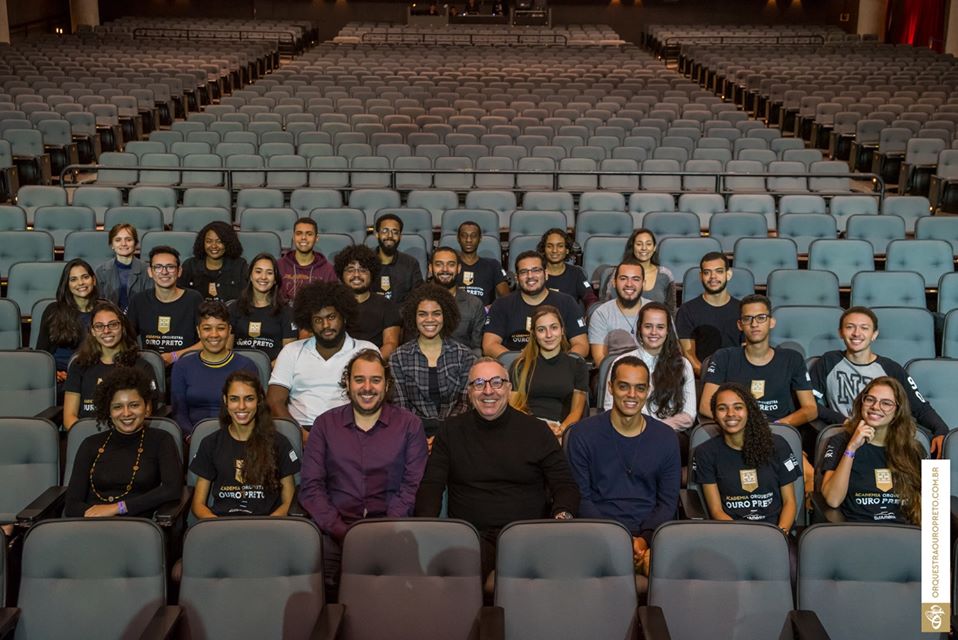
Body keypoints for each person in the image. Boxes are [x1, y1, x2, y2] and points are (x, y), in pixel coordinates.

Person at [415, 357, 580, 580]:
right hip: (471, 539)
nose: (488, 391)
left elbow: (564, 484)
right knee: (453, 577)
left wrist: (562, 516)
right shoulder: (450, 431)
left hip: (527, 536)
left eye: (496, 382)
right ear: (469, 392)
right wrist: (426, 529)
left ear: (509, 388)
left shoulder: (537, 431)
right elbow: (432, 486)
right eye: (479, 383)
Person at [300, 350, 428, 592]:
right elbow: (311, 487)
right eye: (359, 379)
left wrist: (384, 531)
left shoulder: (410, 425)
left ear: (386, 385)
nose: (367, 387)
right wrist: (342, 532)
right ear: (348, 383)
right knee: (315, 590)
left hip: (392, 530)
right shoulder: (325, 425)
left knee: (401, 594)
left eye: (375, 380)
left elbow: (412, 487)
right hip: (335, 533)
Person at [565, 356, 680, 574]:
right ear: (610, 387)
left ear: (648, 391)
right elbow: (582, 498)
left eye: (640, 388)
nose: (632, 395)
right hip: (597, 534)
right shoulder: (582, 434)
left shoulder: (666, 437)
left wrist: (643, 540)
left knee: (665, 570)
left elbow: (667, 502)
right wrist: (617, 540)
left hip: (649, 539)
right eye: (624, 386)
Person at [809, 306, 948, 443]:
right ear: (840, 332)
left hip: (884, 437)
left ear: (874, 335)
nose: (856, 333)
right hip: (845, 434)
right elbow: (808, 403)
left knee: (930, 445)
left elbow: (920, 407)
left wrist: (941, 430)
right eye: (850, 327)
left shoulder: (891, 368)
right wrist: (844, 421)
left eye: (864, 328)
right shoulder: (828, 361)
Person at [64, 366, 183, 518]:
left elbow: (171, 489)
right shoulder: (90, 444)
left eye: (134, 405)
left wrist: (119, 508)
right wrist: (95, 517)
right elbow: (72, 504)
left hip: (136, 524)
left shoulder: (161, 440)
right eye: (117, 407)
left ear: (146, 407)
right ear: (108, 410)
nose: (126, 413)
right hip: (92, 522)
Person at [268, 281, 378, 431]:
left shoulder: (365, 350)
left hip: (350, 430)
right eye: (318, 320)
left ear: (344, 316)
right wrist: (299, 435)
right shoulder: (291, 351)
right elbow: (274, 401)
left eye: (331, 317)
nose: (325, 325)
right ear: (309, 323)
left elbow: (376, 399)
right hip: (301, 430)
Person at [190, 370, 299, 519]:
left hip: (267, 524)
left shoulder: (279, 443)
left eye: (249, 399)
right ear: (225, 400)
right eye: (234, 399)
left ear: (259, 400)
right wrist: (218, 526)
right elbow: (198, 505)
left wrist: (267, 525)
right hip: (222, 524)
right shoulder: (210, 443)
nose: (241, 406)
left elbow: (289, 502)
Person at [700, 295, 817, 431]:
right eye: (747, 318)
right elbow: (705, 406)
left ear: (771, 322)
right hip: (735, 431)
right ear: (740, 325)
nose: (754, 324)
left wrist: (777, 426)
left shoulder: (792, 359)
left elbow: (811, 409)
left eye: (761, 318)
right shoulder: (723, 357)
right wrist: (744, 427)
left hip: (778, 430)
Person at [692, 383, 799, 532]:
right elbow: (716, 511)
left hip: (776, 531)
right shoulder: (705, 452)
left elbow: (790, 502)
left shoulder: (778, 445)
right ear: (714, 415)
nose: (730, 413)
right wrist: (744, 538)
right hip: (732, 533)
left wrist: (780, 534)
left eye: (738, 407)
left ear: (749, 411)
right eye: (722, 408)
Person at [821, 377, 923, 524]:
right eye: (870, 399)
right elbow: (833, 500)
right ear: (861, 402)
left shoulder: (914, 448)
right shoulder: (841, 441)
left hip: (903, 531)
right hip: (860, 530)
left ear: (898, 411)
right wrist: (851, 448)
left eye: (886, 403)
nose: (875, 406)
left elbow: (936, 509)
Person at [601, 302, 696, 461]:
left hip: (669, 435)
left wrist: (653, 430)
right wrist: (637, 430)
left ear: (668, 330)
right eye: (648, 326)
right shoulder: (622, 362)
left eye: (660, 327)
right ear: (639, 328)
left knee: (662, 444)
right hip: (626, 431)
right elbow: (609, 407)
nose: (654, 332)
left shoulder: (683, 365)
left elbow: (689, 415)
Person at [389, 283, 475, 439]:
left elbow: (465, 403)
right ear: (413, 317)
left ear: (446, 316)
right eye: (422, 314)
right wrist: (419, 438)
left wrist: (444, 435)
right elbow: (400, 406)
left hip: (455, 433)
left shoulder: (464, 355)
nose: (430, 319)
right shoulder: (398, 357)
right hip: (412, 434)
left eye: (436, 313)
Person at [64, 301, 157, 430]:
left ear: (122, 327)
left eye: (113, 325)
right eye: (99, 326)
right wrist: (86, 437)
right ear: (92, 331)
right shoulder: (79, 365)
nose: (106, 331)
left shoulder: (141, 366)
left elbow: (145, 414)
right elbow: (69, 417)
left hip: (127, 435)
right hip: (87, 435)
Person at [171, 301, 257, 436]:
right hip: (193, 438)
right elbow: (179, 413)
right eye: (207, 328)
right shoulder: (182, 366)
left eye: (220, 328)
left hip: (235, 437)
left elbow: (251, 411)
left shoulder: (245, 366)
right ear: (198, 331)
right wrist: (192, 438)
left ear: (229, 330)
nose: (214, 334)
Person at [483, 251, 588, 358]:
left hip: (557, 365)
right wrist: (520, 362)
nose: (530, 276)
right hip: (513, 365)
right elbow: (489, 345)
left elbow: (581, 345)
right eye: (523, 272)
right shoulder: (501, 305)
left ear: (546, 274)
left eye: (536, 270)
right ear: (517, 278)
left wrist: (563, 363)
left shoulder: (567, 302)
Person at [509, 306, 588, 440]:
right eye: (541, 330)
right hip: (528, 428)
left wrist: (561, 430)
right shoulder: (520, 366)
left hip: (562, 430)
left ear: (562, 330)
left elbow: (577, 411)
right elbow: (515, 407)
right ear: (534, 334)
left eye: (554, 327)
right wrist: (541, 427)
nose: (549, 335)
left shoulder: (577, 365)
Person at [126, 246, 203, 366]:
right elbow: (126, 339)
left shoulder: (194, 299)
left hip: (187, 365)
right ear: (150, 272)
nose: (164, 272)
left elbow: (206, 341)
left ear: (179, 271)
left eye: (170, 267)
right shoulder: (139, 300)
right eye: (158, 267)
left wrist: (173, 356)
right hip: (149, 367)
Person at [675, 252, 744, 377]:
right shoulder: (687, 310)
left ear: (728, 274)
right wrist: (711, 378)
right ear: (701, 276)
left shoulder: (742, 309)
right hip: (702, 378)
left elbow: (747, 350)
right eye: (707, 272)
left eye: (719, 271)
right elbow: (689, 355)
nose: (713, 277)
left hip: (737, 378)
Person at [36, 258, 101, 386]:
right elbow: (42, 352)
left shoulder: (104, 311)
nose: (80, 283)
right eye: (73, 279)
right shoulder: (53, 311)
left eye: (85, 277)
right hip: (61, 378)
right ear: (67, 284)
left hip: (93, 376)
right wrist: (52, 373)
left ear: (93, 280)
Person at [334, 244, 401, 358]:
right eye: (350, 270)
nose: (356, 275)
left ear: (372, 274)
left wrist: (372, 363)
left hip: (374, 362)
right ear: (341, 274)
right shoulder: (332, 304)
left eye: (363, 270)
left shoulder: (387, 305)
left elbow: (391, 344)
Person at [229, 253, 297, 363]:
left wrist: (266, 369)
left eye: (269, 273)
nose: (263, 277)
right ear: (250, 276)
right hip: (238, 369)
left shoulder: (287, 312)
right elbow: (227, 351)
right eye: (258, 271)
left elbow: (288, 355)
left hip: (273, 370)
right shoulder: (234, 309)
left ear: (275, 279)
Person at [588, 258, 651, 363]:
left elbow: (671, 352)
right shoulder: (601, 314)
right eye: (623, 278)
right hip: (614, 371)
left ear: (643, 284)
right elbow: (600, 361)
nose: (629, 284)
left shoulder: (658, 312)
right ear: (614, 282)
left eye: (636, 279)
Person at [601, 229, 675, 311]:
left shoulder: (665, 274)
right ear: (633, 247)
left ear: (654, 247)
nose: (644, 248)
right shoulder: (618, 272)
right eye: (639, 244)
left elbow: (671, 310)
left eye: (648, 244)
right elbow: (606, 307)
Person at [429, 246, 485, 354]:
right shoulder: (417, 301)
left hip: (463, 361)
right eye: (439, 264)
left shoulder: (474, 304)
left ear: (458, 268)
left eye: (451, 265)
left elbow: (476, 348)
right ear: (430, 268)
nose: (445, 269)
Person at [178, 221, 248, 302]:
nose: (214, 246)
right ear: (202, 243)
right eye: (209, 241)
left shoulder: (239, 265)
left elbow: (245, 299)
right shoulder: (190, 265)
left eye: (219, 241)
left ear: (228, 243)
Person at [278, 217, 337, 304]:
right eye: (299, 233)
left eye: (309, 234)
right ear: (293, 237)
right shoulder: (279, 266)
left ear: (316, 238)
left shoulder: (329, 270)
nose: (303, 237)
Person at [95, 223, 151, 313]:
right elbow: (99, 303)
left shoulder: (147, 270)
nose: (123, 244)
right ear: (112, 245)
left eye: (128, 240)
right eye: (118, 240)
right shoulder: (101, 271)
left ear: (135, 244)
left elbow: (150, 302)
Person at [538, 228, 597, 311]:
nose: (554, 250)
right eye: (549, 246)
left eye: (560, 246)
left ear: (567, 250)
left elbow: (590, 298)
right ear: (544, 250)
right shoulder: (536, 273)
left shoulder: (576, 273)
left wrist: (591, 313)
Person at [370, 213, 424, 304]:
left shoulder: (411, 264)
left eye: (395, 232)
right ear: (377, 234)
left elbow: (418, 298)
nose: (390, 236)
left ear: (400, 236)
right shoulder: (365, 261)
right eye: (385, 231)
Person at [456, 221, 509, 306]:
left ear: (480, 239)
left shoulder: (493, 265)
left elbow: (506, 298)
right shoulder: (451, 266)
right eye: (464, 236)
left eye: (473, 236)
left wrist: (492, 308)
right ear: (458, 238)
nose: (468, 240)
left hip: (485, 313)